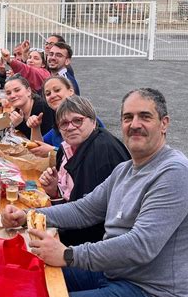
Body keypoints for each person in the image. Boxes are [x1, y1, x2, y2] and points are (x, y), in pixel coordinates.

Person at [2, 88, 188, 297]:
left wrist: (67, 254)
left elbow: (141, 246)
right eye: (127, 117)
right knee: (27, 278)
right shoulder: (125, 170)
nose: (135, 125)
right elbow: (83, 209)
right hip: (113, 273)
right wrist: (28, 214)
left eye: (145, 116)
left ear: (164, 123)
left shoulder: (175, 173)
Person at [39, 96, 130, 245]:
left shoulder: (101, 152)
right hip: (75, 232)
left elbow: (87, 218)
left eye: (77, 120)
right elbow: (76, 205)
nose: (70, 127)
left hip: (95, 248)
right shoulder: (67, 148)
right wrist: (54, 192)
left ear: (93, 121)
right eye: (64, 123)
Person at [4, 74, 54, 140]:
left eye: (17, 90)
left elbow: (42, 142)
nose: (12, 95)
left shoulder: (43, 108)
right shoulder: (18, 110)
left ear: (28, 91)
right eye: (8, 93)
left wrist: (19, 124)